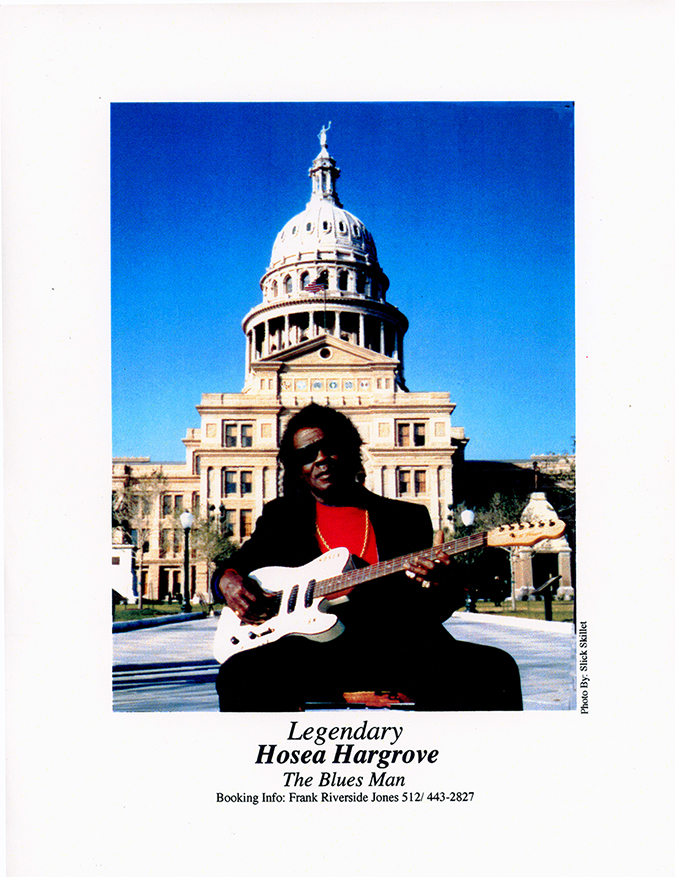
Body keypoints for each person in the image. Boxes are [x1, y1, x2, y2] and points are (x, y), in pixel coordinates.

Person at [212, 404, 522, 711]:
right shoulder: (283, 517)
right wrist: (227, 580)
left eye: (329, 447)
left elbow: (430, 612)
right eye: (307, 455)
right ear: (297, 468)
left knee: (494, 669)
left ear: (351, 450)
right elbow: (234, 567)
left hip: (395, 645)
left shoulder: (406, 517)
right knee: (239, 675)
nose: (320, 459)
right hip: (310, 651)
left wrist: (440, 585)